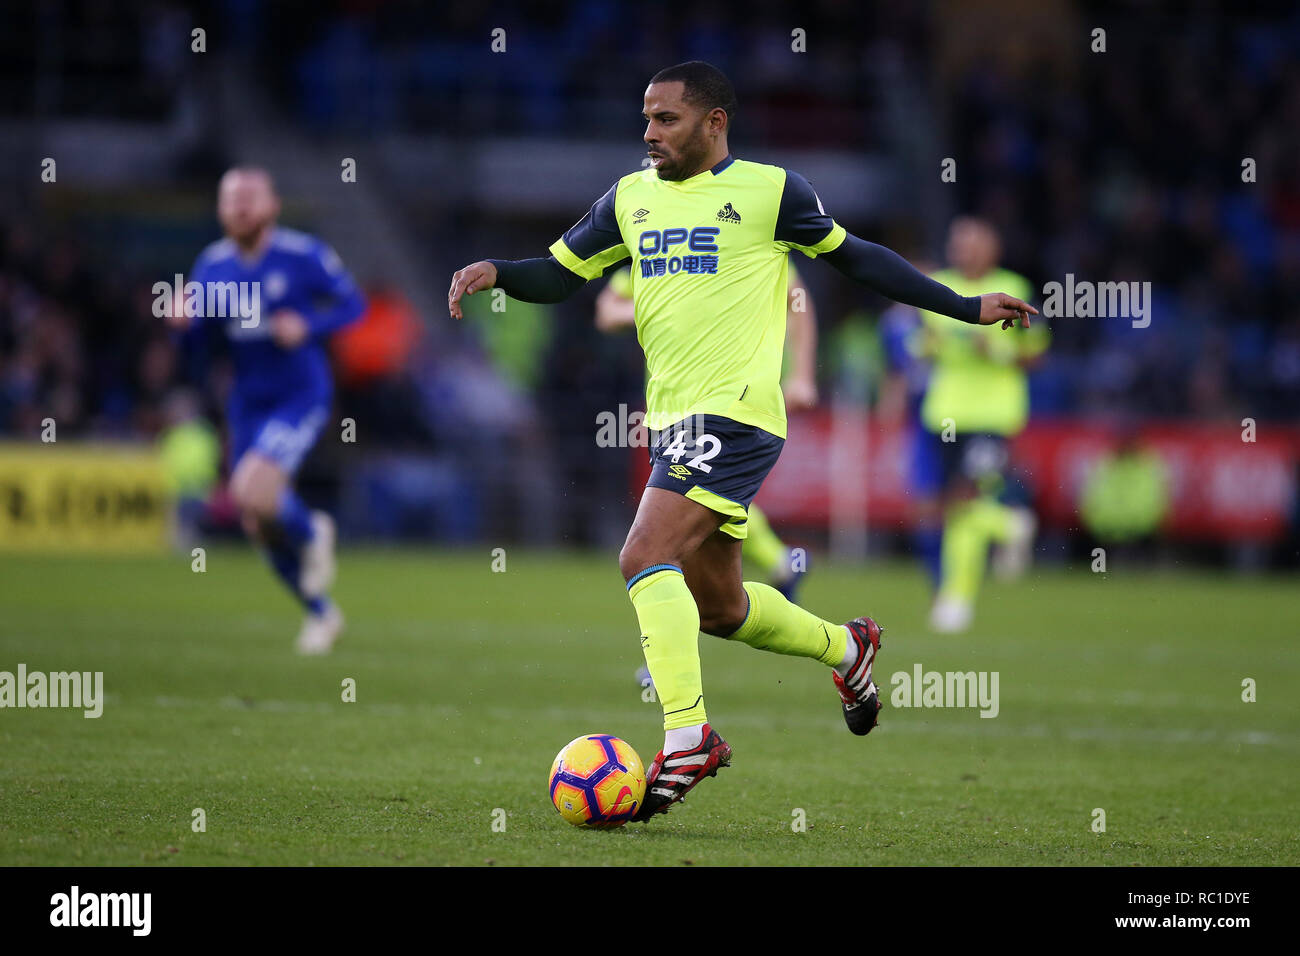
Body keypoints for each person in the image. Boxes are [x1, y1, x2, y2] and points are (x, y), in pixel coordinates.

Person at [448, 62, 1036, 821]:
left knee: (641, 555)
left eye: (666, 119)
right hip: (673, 423)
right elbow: (560, 276)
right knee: (719, 609)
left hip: (738, 415)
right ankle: (846, 649)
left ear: (714, 122)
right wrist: (496, 271)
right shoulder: (630, 199)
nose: (650, 133)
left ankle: (687, 736)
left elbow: (857, 256)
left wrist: (960, 306)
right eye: (646, 119)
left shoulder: (771, 192)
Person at [168, 167, 365, 654]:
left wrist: (309, 325)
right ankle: (321, 612)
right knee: (257, 518)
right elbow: (203, 348)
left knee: (251, 488)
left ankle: (312, 530)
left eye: (249, 198)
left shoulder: (301, 255)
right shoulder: (211, 266)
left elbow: (353, 305)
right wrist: (184, 326)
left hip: (299, 394)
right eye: (230, 198)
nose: (239, 207)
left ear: (272, 206)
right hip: (248, 402)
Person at [595, 260, 816, 600]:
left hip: (726, 399)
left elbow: (797, 298)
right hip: (666, 402)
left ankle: (668, 643)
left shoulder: (737, 245)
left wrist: (801, 375)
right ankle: (783, 567)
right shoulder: (655, 253)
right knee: (701, 501)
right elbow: (607, 313)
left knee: (670, 516)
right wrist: (658, 305)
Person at [912, 217, 1048, 633]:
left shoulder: (1015, 288)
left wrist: (998, 353)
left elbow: (1035, 354)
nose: (963, 250)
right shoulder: (936, 285)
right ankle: (1009, 526)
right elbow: (921, 345)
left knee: (965, 502)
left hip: (992, 414)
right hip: (943, 414)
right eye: (958, 243)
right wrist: (928, 348)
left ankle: (956, 600)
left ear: (993, 249)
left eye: (973, 243)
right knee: (949, 508)